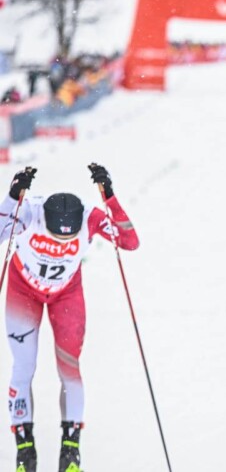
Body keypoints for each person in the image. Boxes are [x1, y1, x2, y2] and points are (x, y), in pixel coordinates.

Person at [0, 164, 139, 472]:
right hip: (23, 293)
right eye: (55, 239)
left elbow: (129, 241)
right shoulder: (30, 212)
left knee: (70, 368)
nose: (62, 247)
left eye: (69, 241)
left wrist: (110, 196)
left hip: (66, 294)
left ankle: (71, 451)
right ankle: (25, 451)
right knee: (24, 367)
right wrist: (12, 197)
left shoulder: (90, 216)